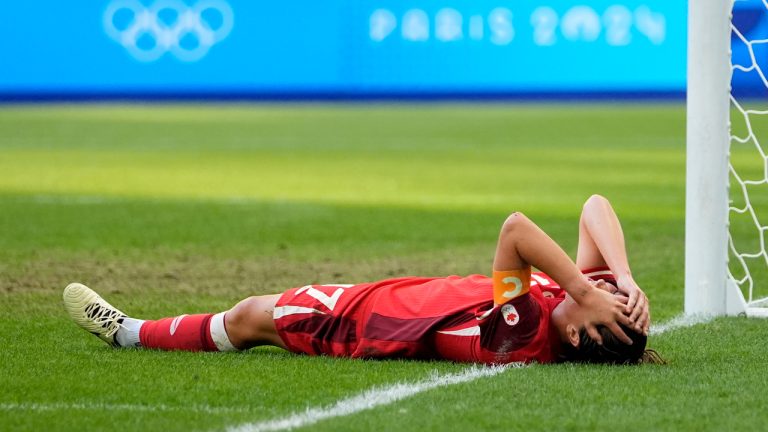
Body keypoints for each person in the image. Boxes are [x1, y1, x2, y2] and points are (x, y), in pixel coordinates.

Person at [64, 195, 658, 365]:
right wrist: (624, 279)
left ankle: (128, 333)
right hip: (404, 295)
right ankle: (133, 331)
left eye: (605, 304)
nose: (601, 291)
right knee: (253, 313)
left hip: (368, 324)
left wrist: (584, 289)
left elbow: (515, 230)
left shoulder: (522, 333)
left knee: (249, 317)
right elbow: (596, 206)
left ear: (580, 336)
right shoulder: (575, 303)